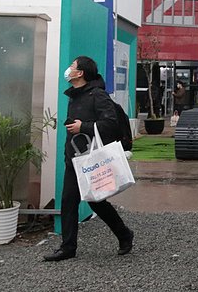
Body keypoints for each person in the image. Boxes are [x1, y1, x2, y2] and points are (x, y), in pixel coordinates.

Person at [44, 56, 134, 262]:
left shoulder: (98, 95)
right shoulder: (74, 95)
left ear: (80, 73)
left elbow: (110, 123)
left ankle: (124, 234)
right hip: (74, 159)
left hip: (92, 160)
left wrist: (82, 127)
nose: (68, 70)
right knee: (68, 201)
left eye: (72, 66)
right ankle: (68, 247)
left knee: (96, 202)